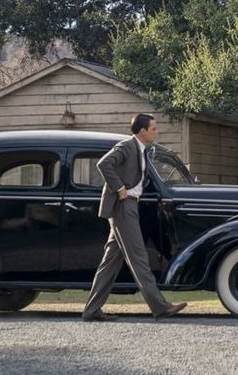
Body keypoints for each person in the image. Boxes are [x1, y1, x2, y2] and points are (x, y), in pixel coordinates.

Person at [81, 113, 187, 322]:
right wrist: (119, 188)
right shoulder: (127, 146)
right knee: (138, 257)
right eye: (154, 128)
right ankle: (160, 306)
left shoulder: (143, 150)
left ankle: (91, 311)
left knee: (110, 263)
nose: (157, 132)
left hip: (130, 206)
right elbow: (103, 164)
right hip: (123, 206)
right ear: (142, 131)